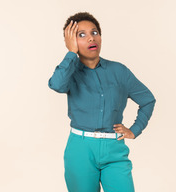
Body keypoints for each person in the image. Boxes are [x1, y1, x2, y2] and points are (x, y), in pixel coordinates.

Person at [48, 11, 156, 192]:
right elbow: (56, 85)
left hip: (114, 149)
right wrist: (70, 53)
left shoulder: (119, 71)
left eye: (94, 32)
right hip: (80, 150)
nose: (91, 38)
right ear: (71, 41)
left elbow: (147, 100)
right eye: (81, 35)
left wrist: (135, 130)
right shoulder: (69, 71)